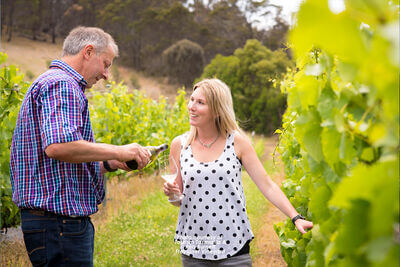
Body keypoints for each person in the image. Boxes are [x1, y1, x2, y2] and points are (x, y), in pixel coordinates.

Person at [10, 26, 150, 266]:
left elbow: (57, 164)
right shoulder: (63, 85)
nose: (106, 75)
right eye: (105, 64)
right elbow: (58, 146)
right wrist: (119, 150)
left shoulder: (52, 82)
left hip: (53, 223)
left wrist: (109, 163)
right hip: (60, 224)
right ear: (88, 52)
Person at [163, 78, 313, 266]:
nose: (191, 106)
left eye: (200, 102)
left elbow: (267, 185)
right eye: (191, 100)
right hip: (194, 246)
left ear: (217, 110)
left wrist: (296, 217)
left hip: (233, 243)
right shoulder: (179, 145)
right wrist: (172, 195)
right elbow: (178, 200)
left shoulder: (237, 142)